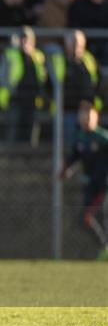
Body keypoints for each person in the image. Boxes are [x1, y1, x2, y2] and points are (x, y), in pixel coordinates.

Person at [61, 101, 108, 257]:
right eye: (83, 115)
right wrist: (64, 170)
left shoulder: (102, 138)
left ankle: (104, 248)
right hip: (89, 186)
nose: (86, 118)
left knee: (91, 217)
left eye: (89, 115)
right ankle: (104, 248)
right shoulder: (79, 137)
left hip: (103, 185)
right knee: (85, 219)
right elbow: (73, 157)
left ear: (96, 117)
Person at [50, 30, 103, 147]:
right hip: (67, 109)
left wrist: (91, 100)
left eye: (79, 43)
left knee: (89, 145)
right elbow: (50, 84)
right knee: (70, 144)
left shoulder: (89, 60)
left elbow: (99, 80)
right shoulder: (60, 60)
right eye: (73, 42)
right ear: (66, 44)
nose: (76, 46)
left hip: (87, 110)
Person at [0, 26, 47, 146]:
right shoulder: (10, 54)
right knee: (12, 132)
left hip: (33, 100)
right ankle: (10, 159)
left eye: (27, 39)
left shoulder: (38, 57)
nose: (24, 42)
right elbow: (1, 77)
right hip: (15, 99)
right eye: (21, 38)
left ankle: (29, 160)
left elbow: (43, 78)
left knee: (31, 134)